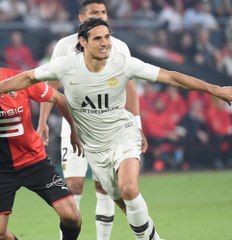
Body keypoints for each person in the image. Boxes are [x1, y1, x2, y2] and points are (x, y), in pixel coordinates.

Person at [0, 18, 232, 240]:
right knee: (123, 202)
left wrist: (215, 89)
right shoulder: (66, 66)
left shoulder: (122, 62)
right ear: (83, 42)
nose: (105, 43)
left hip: (123, 135)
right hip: (95, 148)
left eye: (107, 37)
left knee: (130, 189)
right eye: (98, 38)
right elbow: (26, 78)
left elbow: (172, 77)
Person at [36, 1, 148, 239]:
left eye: (103, 12)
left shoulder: (119, 47)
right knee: (74, 185)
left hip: (110, 129)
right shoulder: (64, 46)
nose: (101, 15)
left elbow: (130, 88)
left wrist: (137, 126)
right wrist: (42, 121)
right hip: (75, 126)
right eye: (94, 12)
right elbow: (51, 87)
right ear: (81, 18)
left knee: (104, 188)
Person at [0, 36, 82, 240]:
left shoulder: (17, 79)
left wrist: (73, 130)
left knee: (72, 217)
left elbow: (59, 98)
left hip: (35, 161)